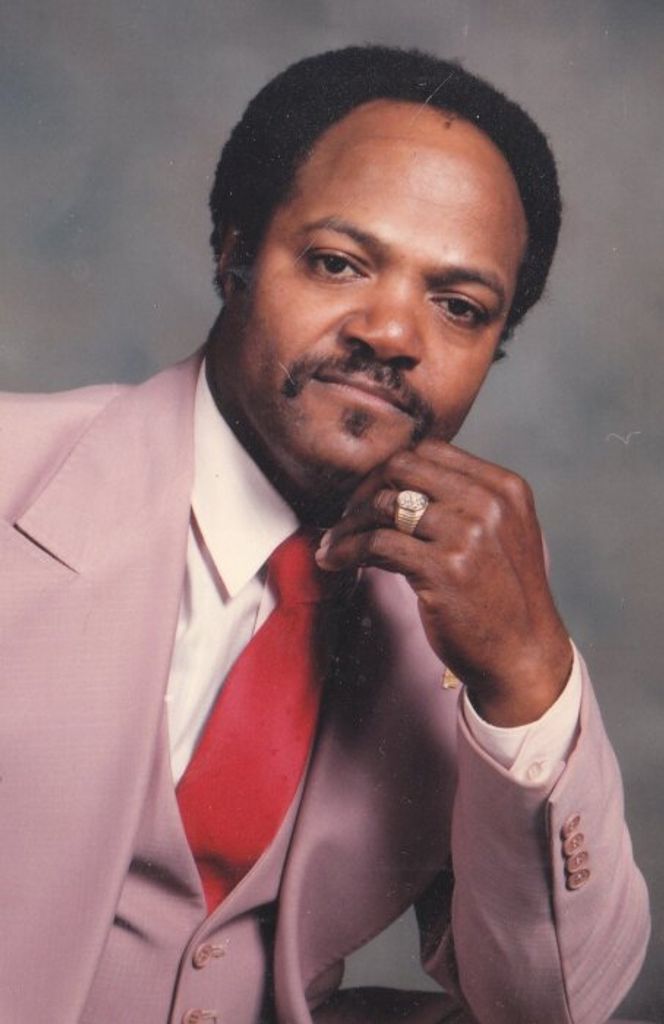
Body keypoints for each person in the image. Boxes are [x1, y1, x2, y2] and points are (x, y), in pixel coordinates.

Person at [0, 45, 650, 1024]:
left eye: (459, 306)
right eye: (339, 263)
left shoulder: (479, 603)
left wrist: (528, 678)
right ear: (234, 255)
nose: (392, 333)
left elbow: (550, 1005)